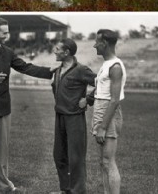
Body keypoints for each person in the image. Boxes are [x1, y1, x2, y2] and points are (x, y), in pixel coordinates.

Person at [0, 16, 53, 194]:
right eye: (4, 32)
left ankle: (3, 185)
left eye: (7, 32)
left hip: (4, 108)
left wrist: (48, 71)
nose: (7, 35)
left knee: (3, 150)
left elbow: (25, 67)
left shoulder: (8, 52)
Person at [50, 39, 96, 194]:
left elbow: (103, 83)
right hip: (60, 116)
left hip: (75, 118)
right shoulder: (57, 70)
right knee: (59, 155)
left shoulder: (81, 70)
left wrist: (88, 100)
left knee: (75, 157)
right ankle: (65, 190)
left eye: (57, 48)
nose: (54, 51)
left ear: (67, 51)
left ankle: (77, 191)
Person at [92, 29, 126, 194]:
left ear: (104, 44)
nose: (94, 45)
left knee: (108, 161)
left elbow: (114, 99)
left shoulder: (115, 66)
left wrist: (103, 127)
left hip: (108, 115)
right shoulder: (106, 64)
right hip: (102, 111)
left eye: (97, 42)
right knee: (103, 162)